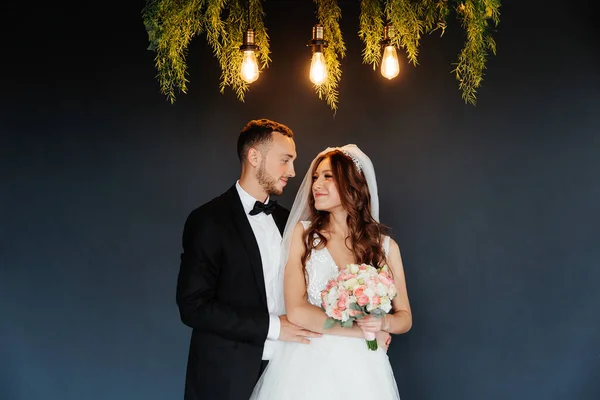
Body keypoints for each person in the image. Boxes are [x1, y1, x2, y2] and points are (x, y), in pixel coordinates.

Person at [251, 144, 412, 400]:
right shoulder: (303, 235)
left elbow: (404, 318)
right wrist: (365, 333)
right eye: (316, 177)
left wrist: (382, 323)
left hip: (364, 368)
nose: (316, 184)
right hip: (307, 364)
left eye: (328, 176)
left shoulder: (385, 247)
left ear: (353, 185)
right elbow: (297, 311)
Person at [176, 119, 321, 400]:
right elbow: (193, 306)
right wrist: (274, 327)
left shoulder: (291, 222)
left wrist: (360, 325)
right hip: (227, 378)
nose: (292, 171)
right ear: (255, 157)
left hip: (291, 371)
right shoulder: (208, 220)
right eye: (285, 160)